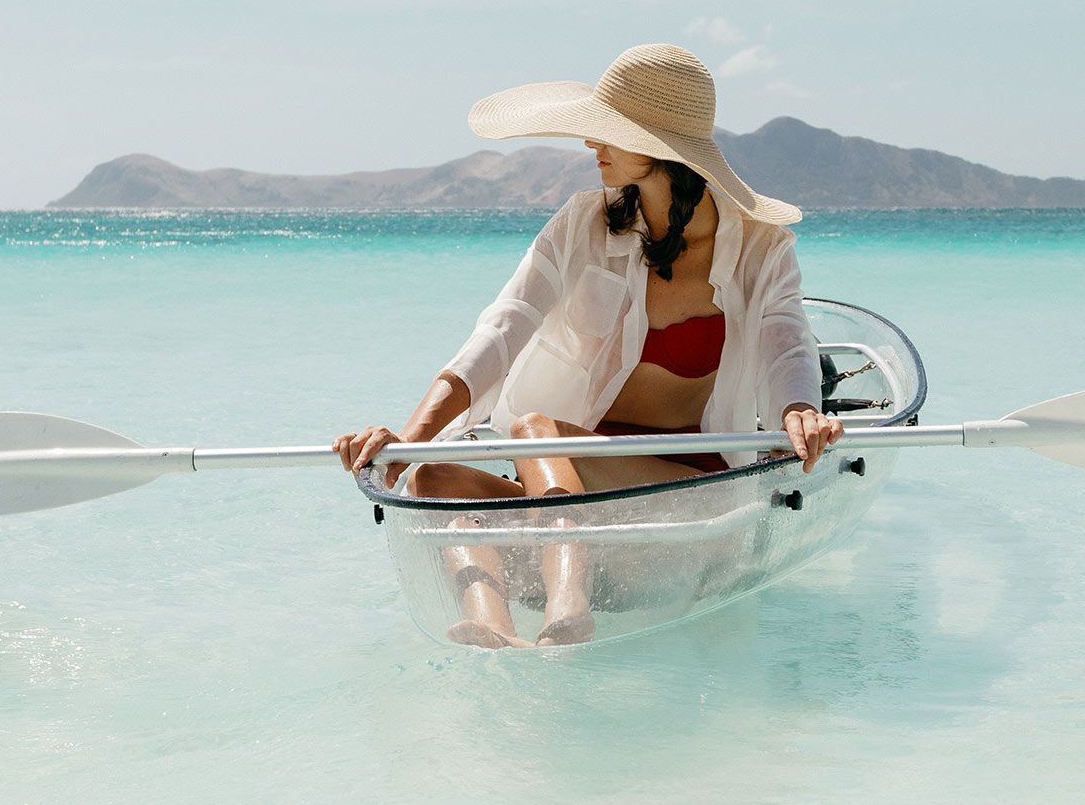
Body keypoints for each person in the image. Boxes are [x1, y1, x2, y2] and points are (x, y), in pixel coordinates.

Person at [335, 44, 842, 648]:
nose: (588, 144)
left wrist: (799, 412)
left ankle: (570, 604)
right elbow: (502, 328)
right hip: (571, 486)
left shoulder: (762, 249)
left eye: (609, 132)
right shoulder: (582, 223)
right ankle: (491, 628)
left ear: (657, 148)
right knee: (437, 476)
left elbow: (787, 342)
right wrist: (408, 442)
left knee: (533, 430)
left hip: (687, 489)